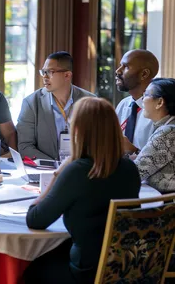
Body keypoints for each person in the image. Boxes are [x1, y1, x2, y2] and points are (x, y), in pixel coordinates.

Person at [24, 97, 141, 284]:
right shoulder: (130, 169)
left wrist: (58, 174)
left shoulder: (77, 171)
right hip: (124, 266)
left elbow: (35, 219)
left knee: (29, 271)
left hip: (86, 272)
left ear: (78, 131)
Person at [16, 51, 95, 160]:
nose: (44, 76)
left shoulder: (91, 102)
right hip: (46, 171)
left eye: (50, 72)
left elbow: (98, 142)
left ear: (67, 75)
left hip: (82, 170)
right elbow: (25, 146)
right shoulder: (31, 103)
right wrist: (55, 166)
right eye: (43, 72)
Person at [125, 78, 175, 193]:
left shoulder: (167, 132)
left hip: (167, 206)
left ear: (160, 102)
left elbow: (135, 174)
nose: (142, 99)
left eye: (146, 94)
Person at [115, 49, 159, 153]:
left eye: (125, 67)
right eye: (120, 65)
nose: (118, 71)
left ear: (144, 74)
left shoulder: (160, 109)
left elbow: (161, 158)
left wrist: (133, 151)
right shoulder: (123, 104)